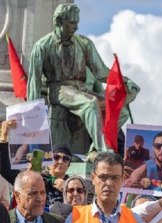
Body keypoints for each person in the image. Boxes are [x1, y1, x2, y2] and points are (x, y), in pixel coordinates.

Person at [27, 3, 139, 154]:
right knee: (91, 104)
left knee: (121, 110)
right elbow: (34, 81)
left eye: (77, 22)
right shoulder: (42, 46)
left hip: (81, 88)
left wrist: (126, 81)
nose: (76, 27)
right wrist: (32, 114)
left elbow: (101, 72)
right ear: (59, 21)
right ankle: (103, 150)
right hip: (59, 89)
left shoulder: (84, 43)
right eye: (72, 22)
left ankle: (95, 148)